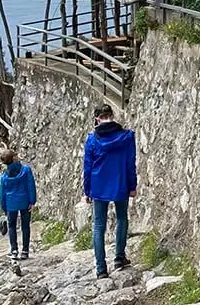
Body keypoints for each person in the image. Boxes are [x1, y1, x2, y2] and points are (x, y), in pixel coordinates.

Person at [83, 103, 138, 279]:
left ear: (97, 119)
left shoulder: (92, 140)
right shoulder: (127, 137)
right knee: (122, 218)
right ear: (112, 115)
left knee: (99, 225)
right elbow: (131, 163)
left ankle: (101, 269)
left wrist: (87, 190)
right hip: (120, 182)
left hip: (99, 186)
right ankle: (119, 257)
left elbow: (87, 168)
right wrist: (132, 185)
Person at [0, 149, 37, 260]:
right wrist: (32, 201)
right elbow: (31, 186)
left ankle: (14, 250)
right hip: (24, 200)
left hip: (11, 203)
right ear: (14, 158)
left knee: (11, 226)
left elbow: (3, 193)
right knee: (25, 226)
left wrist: (4, 207)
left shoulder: (4, 176)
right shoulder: (26, 170)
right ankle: (25, 250)